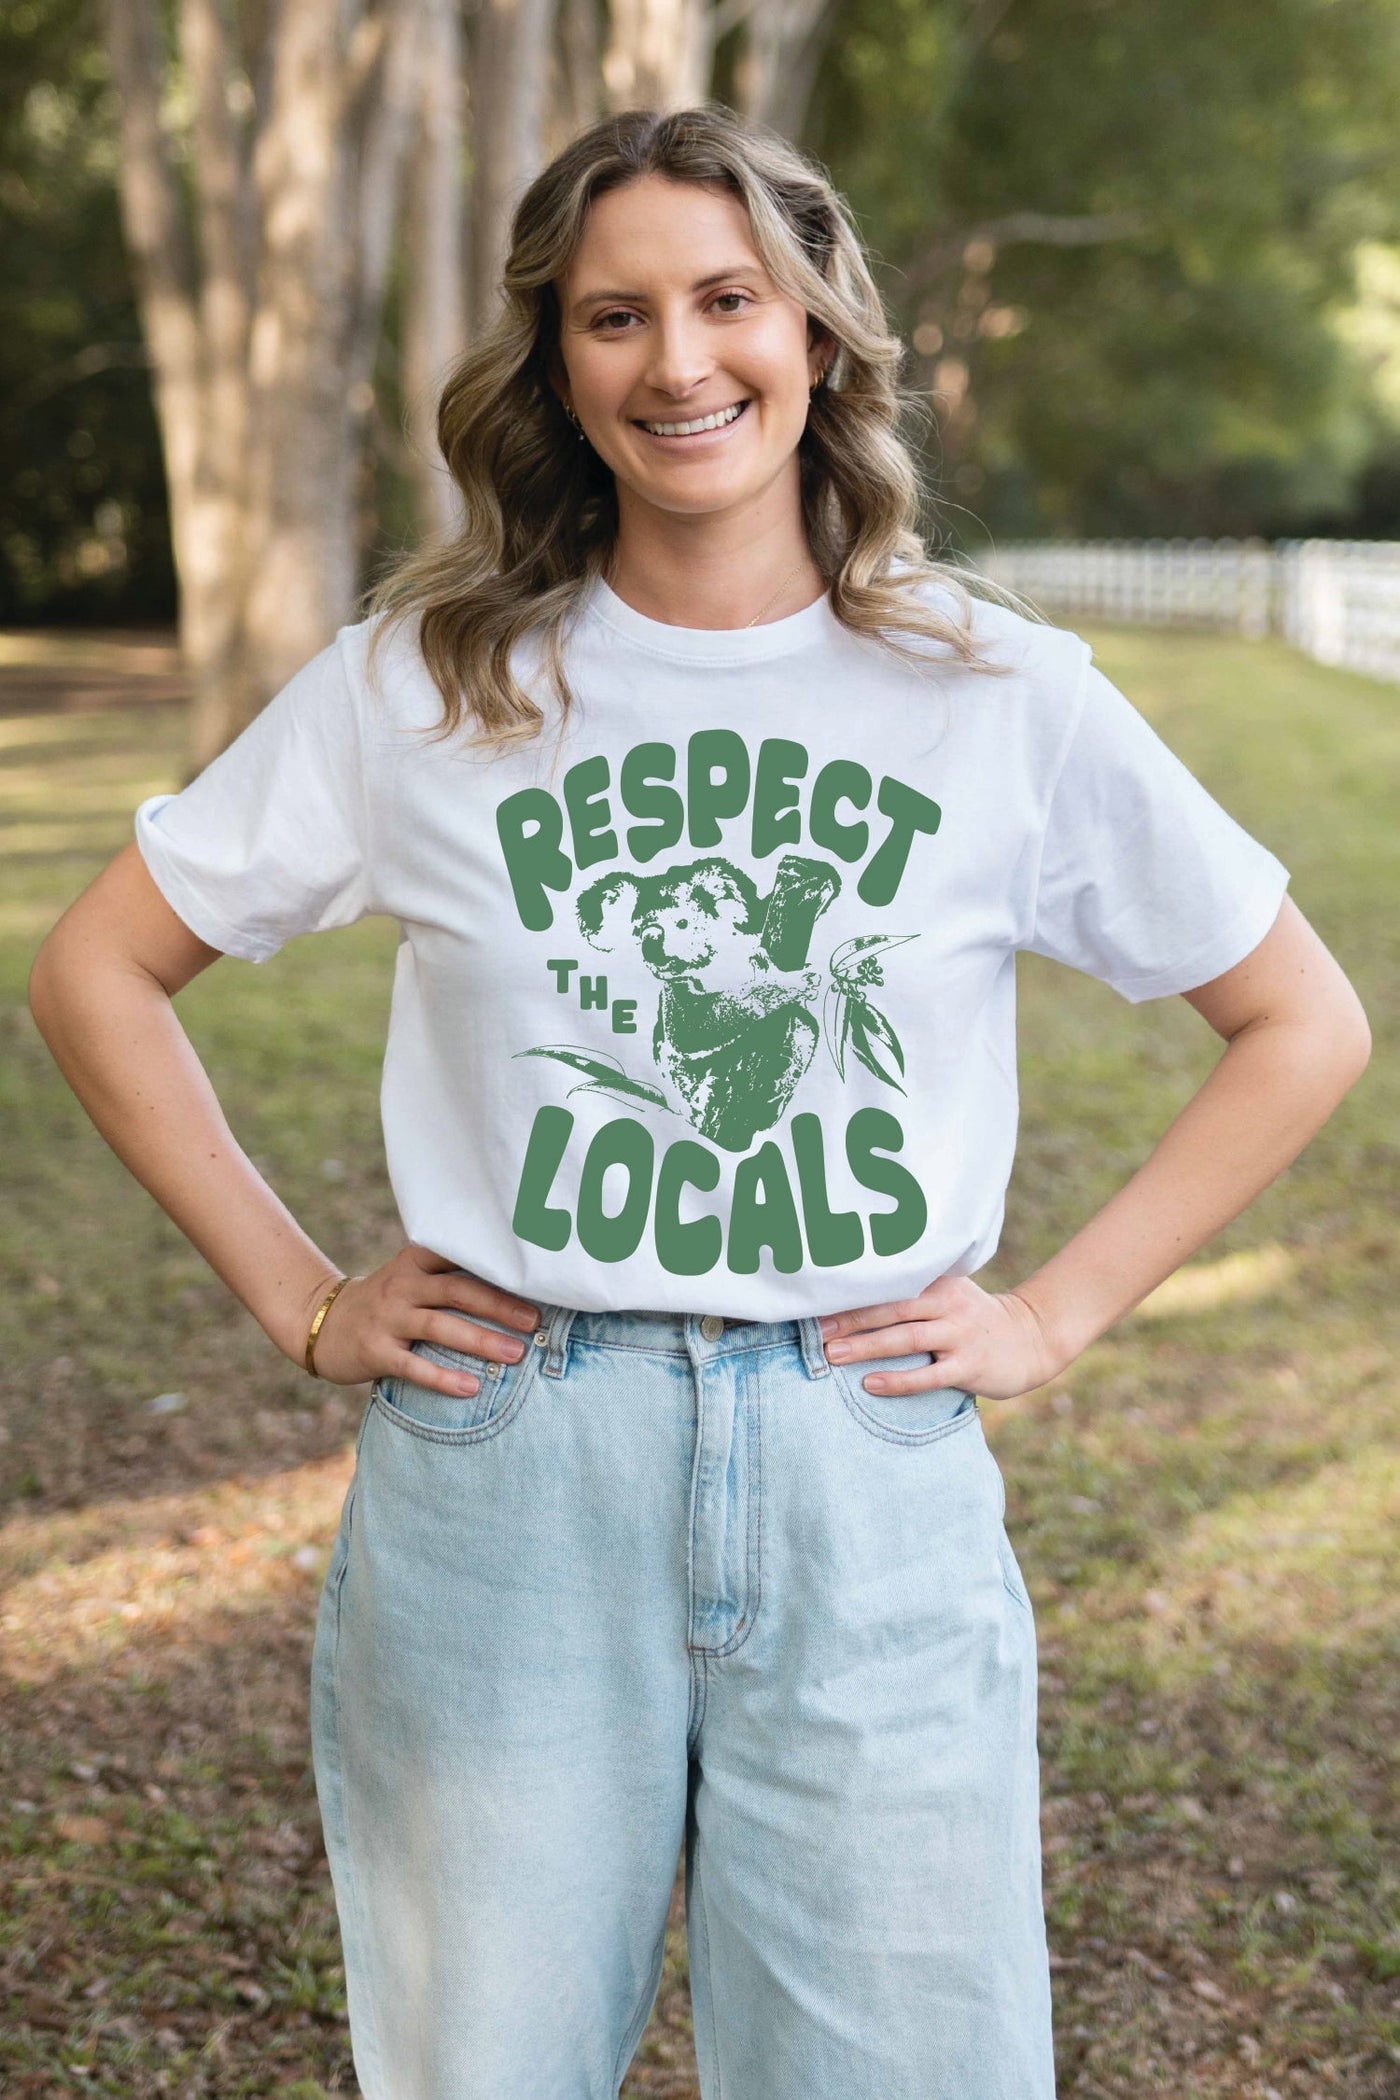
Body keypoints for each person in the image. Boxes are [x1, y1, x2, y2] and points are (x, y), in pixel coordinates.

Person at [27, 102, 1370, 2100]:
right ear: (556, 369)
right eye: (612, 317)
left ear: (814, 337)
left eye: (728, 302)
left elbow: (1301, 1020)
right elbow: (96, 968)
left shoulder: (991, 692)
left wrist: (1050, 1313)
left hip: (861, 1464)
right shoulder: (429, 683)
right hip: (509, 1473)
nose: (677, 362)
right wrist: (302, 1298)